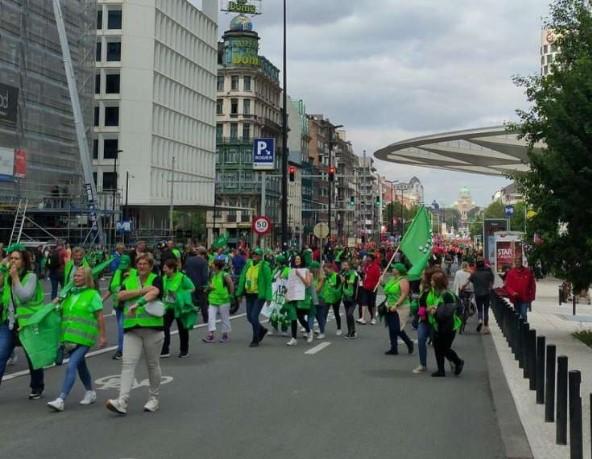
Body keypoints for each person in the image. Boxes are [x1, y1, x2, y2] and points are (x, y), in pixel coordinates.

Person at [106, 253, 164, 415]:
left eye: (145, 264)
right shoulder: (129, 280)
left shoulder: (156, 278)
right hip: (132, 328)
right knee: (127, 364)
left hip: (152, 327)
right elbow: (120, 295)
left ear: (151, 266)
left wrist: (138, 301)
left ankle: (154, 398)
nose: (142, 266)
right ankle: (122, 401)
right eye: (139, 264)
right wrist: (141, 291)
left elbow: (155, 292)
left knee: (152, 365)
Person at [47, 267, 107, 412]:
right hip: (68, 337)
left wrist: (103, 336)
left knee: (71, 365)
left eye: (79, 276)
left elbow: (99, 316)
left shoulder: (93, 295)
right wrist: (57, 299)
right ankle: (90, 392)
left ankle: (61, 399)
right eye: (74, 276)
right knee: (81, 366)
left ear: (86, 278)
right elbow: (55, 309)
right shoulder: (69, 294)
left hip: (84, 337)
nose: (76, 278)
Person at [0, 246, 46, 399]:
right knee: (1, 355)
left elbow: (25, 296)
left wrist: (15, 279)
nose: (13, 261)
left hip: (26, 323)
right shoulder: (7, 276)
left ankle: (37, 386)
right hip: (9, 322)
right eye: (11, 258)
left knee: (32, 357)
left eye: (16, 258)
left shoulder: (30, 277)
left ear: (24, 262)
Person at [428, 271, 464, 377]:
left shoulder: (447, 295)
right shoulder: (437, 293)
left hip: (448, 325)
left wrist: (435, 311)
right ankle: (441, 370)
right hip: (438, 324)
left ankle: (458, 362)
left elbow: (447, 312)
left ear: (437, 282)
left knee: (444, 348)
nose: (431, 282)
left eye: (432, 280)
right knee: (438, 347)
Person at [236, 248, 272, 347]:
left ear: (261, 256)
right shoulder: (248, 264)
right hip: (249, 294)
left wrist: (269, 297)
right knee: (249, 317)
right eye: (254, 253)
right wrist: (239, 294)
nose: (255, 255)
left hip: (259, 295)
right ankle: (261, 329)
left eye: (257, 254)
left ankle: (255, 339)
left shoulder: (265, 267)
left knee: (254, 316)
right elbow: (242, 279)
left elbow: (268, 283)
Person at [161, 258, 195, 358]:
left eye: (166, 268)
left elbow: (192, 288)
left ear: (172, 269)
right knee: (164, 328)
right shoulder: (164, 278)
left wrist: (180, 295)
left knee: (182, 329)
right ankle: (165, 349)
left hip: (180, 307)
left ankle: (184, 350)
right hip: (168, 307)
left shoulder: (182, 277)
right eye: (163, 267)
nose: (164, 270)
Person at [104, 255, 134, 360]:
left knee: (122, 327)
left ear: (129, 264)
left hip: (129, 305)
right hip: (118, 305)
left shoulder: (135, 273)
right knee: (122, 328)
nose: (123, 267)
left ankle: (121, 350)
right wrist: (102, 299)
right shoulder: (117, 272)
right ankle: (127, 347)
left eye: (125, 265)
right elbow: (111, 289)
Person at [383, 263, 414, 355]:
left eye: (394, 268)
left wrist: (396, 305)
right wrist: (382, 284)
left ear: (399, 270)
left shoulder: (403, 280)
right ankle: (394, 348)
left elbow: (404, 295)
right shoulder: (392, 279)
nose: (392, 269)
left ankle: (409, 342)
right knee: (392, 328)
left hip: (401, 307)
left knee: (397, 328)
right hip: (389, 306)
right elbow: (387, 291)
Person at [413, 267, 440, 374]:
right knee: (420, 339)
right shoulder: (422, 287)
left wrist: (433, 307)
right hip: (423, 319)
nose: (421, 276)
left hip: (434, 320)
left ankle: (451, 360)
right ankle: (423, 364)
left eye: (423, 274)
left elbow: (440, 301)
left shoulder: (436, 289)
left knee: (439, 344)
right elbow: (422, 300)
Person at [203, 255, 234, 343]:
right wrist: (208, 288)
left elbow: (231, 284)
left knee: (224, 318)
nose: (211, 265)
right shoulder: (212, 274)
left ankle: (225, 335)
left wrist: (231, 295)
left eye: (213, 264)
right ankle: (211, 335)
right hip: (213, 300)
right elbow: (212, 284)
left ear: (216, 266)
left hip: (223, 300)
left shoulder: (224, 275)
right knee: (211, 317)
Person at [285, 255, 313, 346]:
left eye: (299, 259)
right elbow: (289, 284)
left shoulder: (306, 271)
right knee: (293, 317)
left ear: (302, 260)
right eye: (296, 259)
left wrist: (300, 275)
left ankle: (309, 331)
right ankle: (293, 338)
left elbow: (308, 284)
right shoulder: (291, 271)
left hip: (302, 296)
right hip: (293, 296)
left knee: (300, 318)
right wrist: (287, 295)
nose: (297, 260)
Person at [504, 257, 536, 322]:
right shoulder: (511, 273)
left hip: (525, 298)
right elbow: (507, 286)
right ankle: (519, 328)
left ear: (521, 262)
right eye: (516, 262)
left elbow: (532, 285)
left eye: (519, 262)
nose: (518, 263)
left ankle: (524, 329)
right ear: (515, 263)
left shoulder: (527, 272)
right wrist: (512, 292)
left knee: (523, 313)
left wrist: (532, 297)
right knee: (517, 314)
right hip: (516, 298)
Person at [184, 246, 209, 324]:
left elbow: (186, 272)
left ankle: (190, 319)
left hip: (190, 285)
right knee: (203, 303)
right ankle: (205, 319)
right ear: (203, 254)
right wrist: (205, 285)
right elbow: (205, 275)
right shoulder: (204, 261)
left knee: (191, 302)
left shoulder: (189, 260)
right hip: (200, 286)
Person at [469, 257, 494, 334]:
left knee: (479, 309)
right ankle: (486, 327)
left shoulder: (474, 273)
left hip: (478, 293)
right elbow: (492, 281)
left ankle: (480, 320)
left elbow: (471, 280)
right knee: (486, 310)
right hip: (486, 293)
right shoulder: (488, 272)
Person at [357, 253, 381, 325]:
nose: (367, 258)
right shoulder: (366, 266)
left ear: (372, 258)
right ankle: (363, 318)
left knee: (372, 304)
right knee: (363, 303)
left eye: (368, 257)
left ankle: (373, 318)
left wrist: (375, 285)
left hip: (373, 288)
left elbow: (378, 277)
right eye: (367, 257)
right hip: (365, 287)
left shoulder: (376, 267)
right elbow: (364, 275)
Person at [320, 263, 343, 336]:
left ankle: (339, 328)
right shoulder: (325, 277)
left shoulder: (337, 276)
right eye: (324, 270)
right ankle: (322, 329)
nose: (325, 272)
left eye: (326, 270)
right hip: (327, 298)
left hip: (336, 298)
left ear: (331, 269)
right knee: (324, 313)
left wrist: (337, 296)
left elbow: (339, 287)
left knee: (336, 313)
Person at [341, 261, 359, 339]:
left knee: (349, 314)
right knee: (348, 315)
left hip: (353, 297)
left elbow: (351, 282)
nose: (344, 266)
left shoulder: (353, 273)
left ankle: (352, 331)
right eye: (343, 265)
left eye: (345, 265)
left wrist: (344, 280)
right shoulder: (343, 274)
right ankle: (350, 331)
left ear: (349, 266)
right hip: (345, 297)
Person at [309, 261, 327, 339]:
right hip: (312, 299)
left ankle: (322, 332)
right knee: (311, 316)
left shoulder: (322, 278)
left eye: (313, 268)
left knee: (320, 317)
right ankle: (310, 332)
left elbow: (317, 289)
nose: (311, 270)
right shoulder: (311, 276)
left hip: (320, 299)